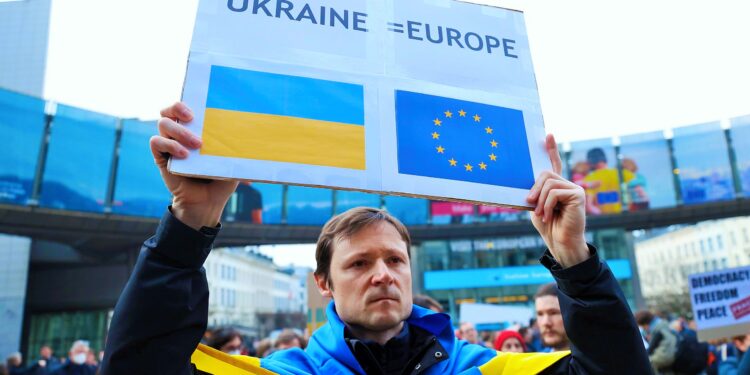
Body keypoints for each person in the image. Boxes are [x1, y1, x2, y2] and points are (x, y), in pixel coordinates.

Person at [99, 102, 651, 374]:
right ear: (323, 284)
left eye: (394, 259)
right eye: (360, 263)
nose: (383, 273)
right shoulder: (283, 374)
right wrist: (190, 221)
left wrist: (574, 260)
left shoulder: (486, 368)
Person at [582, 147, 634, 214]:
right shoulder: (624, 174)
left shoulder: (589, 179)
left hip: (606, 221)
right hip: (626, 217)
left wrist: (601, 216)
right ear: (605, 159)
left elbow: (589, 206)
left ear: (590, 162)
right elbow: (640, 195)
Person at [635, 311, 677, 375]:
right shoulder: (661, 328)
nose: (643, 330)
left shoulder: (661, 330)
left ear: (646, 324)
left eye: (642, 327)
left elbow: (666, 356)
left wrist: (647, 361)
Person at [534, 283, 570, 352]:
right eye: (540, 314)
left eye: (553, 313)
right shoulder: (539, 361)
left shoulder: (592, 359)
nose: (546, 322)